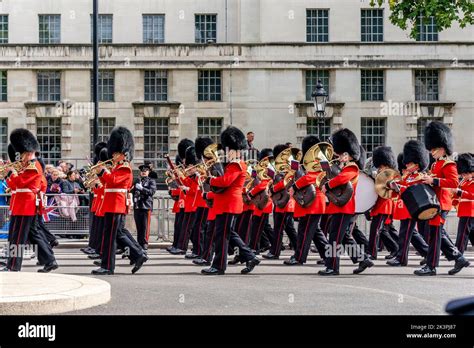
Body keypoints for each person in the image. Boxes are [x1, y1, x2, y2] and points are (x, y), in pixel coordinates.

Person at [201, 126, 260, 275]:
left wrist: (211, 180)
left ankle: (219, 266)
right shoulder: (235, 164)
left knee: (222, 236)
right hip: (226, 203)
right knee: (229, 234)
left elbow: (225, 182)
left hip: (228, 204)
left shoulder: (236, 164)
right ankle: (250, 257)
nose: (226, 153)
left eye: (228, 150)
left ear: (235, 150)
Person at [91, 126, 148, 275]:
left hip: (116, 204)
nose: (114, 155)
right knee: (116, 234)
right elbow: (108, 183)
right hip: (111, 204)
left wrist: (103, 171)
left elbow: (114, 181)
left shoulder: (124, 167)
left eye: (116, 153)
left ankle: (108, 266)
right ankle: (138, 255)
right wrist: (99, 177)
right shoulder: (117, 167)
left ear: (123, 154)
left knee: (111, 236)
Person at [417, 121, 470, 276]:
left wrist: (433, 180)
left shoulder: (449, 164)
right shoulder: (436, 165)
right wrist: (427, 178)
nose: (431, 152)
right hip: (435, 202)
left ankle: (431, 266)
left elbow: (453, 182)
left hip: (441, 203)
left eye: (434, 149)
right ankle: (458, 258)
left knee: (435, 235)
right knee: (437, 233)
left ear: (442, 148)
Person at [318, 128, 373, 276]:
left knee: (334, 239)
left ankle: (332, 267)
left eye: (341, 154)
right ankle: (363, 259)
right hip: (340, 208)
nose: (339, 156)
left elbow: (342, 179)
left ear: (348, 155)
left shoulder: (352, 167)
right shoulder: (343, 167)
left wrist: (328, 185)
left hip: (344, 207)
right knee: (343, 238)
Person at [2, 128, 58, 272]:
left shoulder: (33, 166)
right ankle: (49, 260)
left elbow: (19, 183)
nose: (20, 157)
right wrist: (10, 174)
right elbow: (16, 185)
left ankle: (13, 266)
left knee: (18, 237)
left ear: (27, 152)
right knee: (32, 234)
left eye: (21, 154)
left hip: (25, 205)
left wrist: (10, 174)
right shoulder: (27, 165)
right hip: (21, 203)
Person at [284, 135, 329, 266]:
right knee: (315, 232)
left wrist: (296, 185)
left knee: (304, 232)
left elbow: (312, 178)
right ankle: (328, 256)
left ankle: (299, 257)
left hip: (313, 201)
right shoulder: (310, 161)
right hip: (310, 200)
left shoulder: (318, 161)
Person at [387, 147, 429, 267]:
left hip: (411, 209)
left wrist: (401, 188)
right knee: (412, 235)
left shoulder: (419, 177)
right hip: (404, 208)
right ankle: (428, 253)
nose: (407, 165)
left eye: (410, 163)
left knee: (404, 235)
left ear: (417, 165)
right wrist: (392, 184)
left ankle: (401, 259)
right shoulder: (407, 176)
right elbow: (400, 185)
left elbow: (414, 191)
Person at [367, 146, 399, 260]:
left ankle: (372, 253)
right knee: (383, 231)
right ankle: (395, 248)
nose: (380, 168)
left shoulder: (391, 175)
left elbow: (394, 188)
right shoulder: (381, 174)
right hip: (379, 205)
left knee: (375, 229)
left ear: (387, 164)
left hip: (385, 206)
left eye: (381, 166)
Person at [131, 163, 157, 250]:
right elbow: (131, 191)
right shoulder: (137, 181)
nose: (143, 172)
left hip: (146, 206)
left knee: (145, 226)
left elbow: (151, 192)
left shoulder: (151, 181)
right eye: (142, 171)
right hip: (137, 205)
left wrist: (142, 189)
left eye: (145, 171)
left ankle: (145, 243)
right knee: (139, 226)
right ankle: (139, 243)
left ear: (148, 172)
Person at [452, 153, 473, 254]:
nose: (463, 176)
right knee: (471, 234)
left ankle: (458, 254)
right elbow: (457, 196)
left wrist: (460, 192)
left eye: (465, 174)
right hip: (463, 210)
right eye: (462, 174)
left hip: (470, 211)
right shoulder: (462, 182)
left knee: (462, 234)